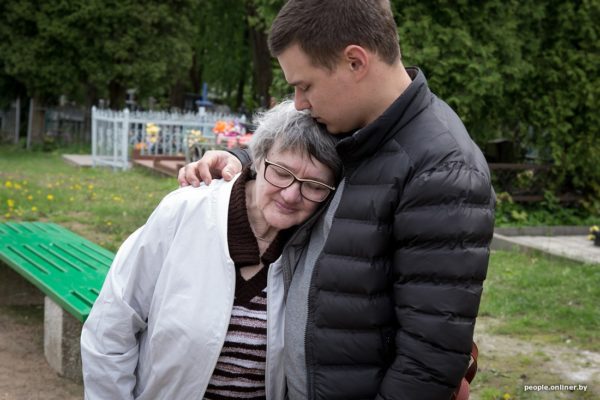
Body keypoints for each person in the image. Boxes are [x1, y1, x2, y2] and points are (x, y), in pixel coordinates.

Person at [178, 1, 496, 399]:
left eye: (306, 85)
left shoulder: (444, 171)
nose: (299, 103)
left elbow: (429, 361)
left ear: (355, 62)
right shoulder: (358, 123)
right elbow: (296, 149)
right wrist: (242, 159)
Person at [80, 100, 341, 400]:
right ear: (258, 160)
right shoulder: (185, 211)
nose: (291, 195)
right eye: (281, 172)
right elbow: (111, 328)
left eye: (314, 185)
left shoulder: (314, 248)